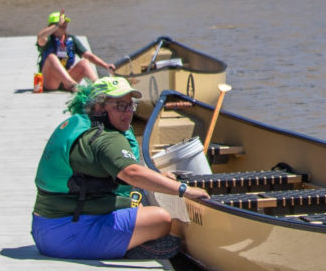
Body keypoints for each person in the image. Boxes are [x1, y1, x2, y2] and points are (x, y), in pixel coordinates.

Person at [29, 75, 203, 260]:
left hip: (44, 229)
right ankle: (129, 248)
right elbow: (131, 173)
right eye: (120, 106)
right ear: (99, 107)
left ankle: (122, 242)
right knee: (160, 219)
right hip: (69, 235)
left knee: (138, 205)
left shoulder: (79, 124)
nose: (127, 112)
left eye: (130, 105)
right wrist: (184, 190)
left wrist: (156, 176)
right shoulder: (105, 138)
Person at [33, 11, 102, 92]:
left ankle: (98, 87)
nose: (64, 26)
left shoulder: (71, 39)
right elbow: (40, 37)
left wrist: (106, 66)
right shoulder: (46, 39)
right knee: (51, 57)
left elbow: (88, 56)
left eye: (65, 23)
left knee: (84, 62)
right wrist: (57, 25)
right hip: (51, 82)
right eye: (62, 24)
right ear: (52, 26)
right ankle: (72, 84)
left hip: (66, 79)